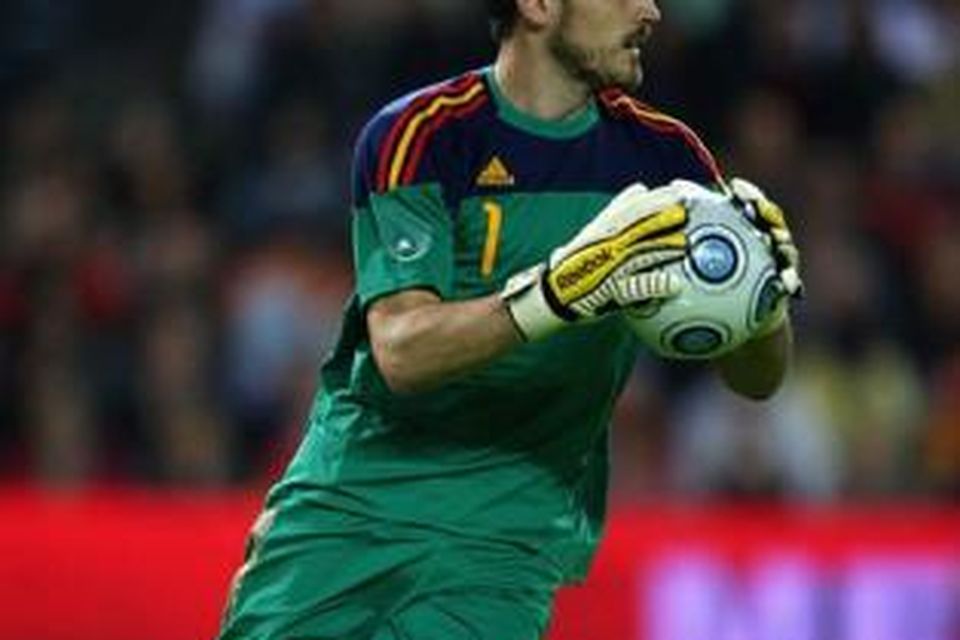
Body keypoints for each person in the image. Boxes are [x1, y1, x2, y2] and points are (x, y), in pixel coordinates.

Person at [216, 1, 802, 638]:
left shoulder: (667, 160)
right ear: (539, 5)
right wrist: (554, 294)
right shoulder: (422, 136)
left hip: (503, 542)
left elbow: (757, 380)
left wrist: (761, 301)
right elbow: (402, 351)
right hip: (351, 510)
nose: (651, 10)